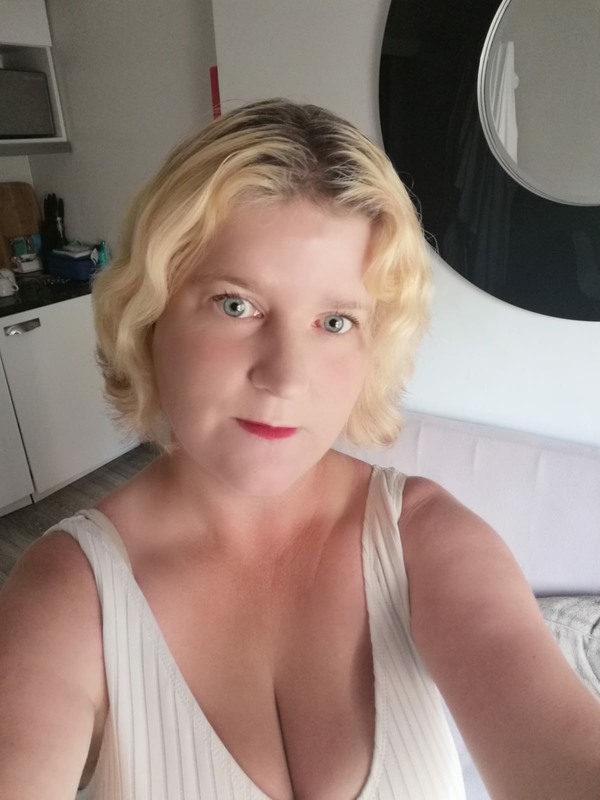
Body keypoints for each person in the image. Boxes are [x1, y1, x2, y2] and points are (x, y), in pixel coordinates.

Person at [1, 99, 599, 800]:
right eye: (236, 304)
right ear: (150, 313)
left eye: (335, 321)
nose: (286, 377)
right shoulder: (68, 593)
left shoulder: (430, 540)